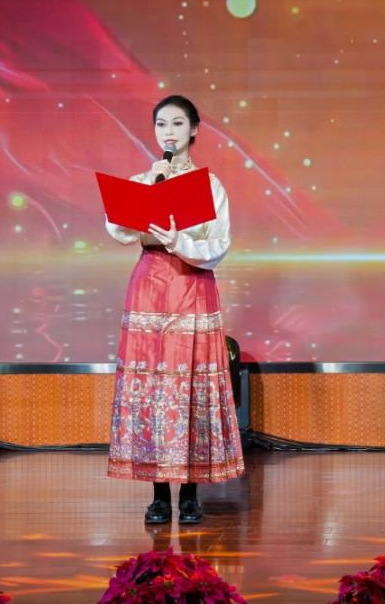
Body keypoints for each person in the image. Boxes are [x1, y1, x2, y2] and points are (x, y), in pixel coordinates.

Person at [105, 94, 244, 525]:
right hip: (149, 285)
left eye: (178, 124)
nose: (168, 132)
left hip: (191, 283)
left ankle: (190, 495)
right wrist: (150, 190)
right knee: (153, 388)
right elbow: (117, 227)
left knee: (189, 386)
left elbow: (218, 244)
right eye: (161, 124)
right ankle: (158, 496)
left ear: (194, 129)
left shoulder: (210, 185)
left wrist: (177, 240)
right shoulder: (144, 178)